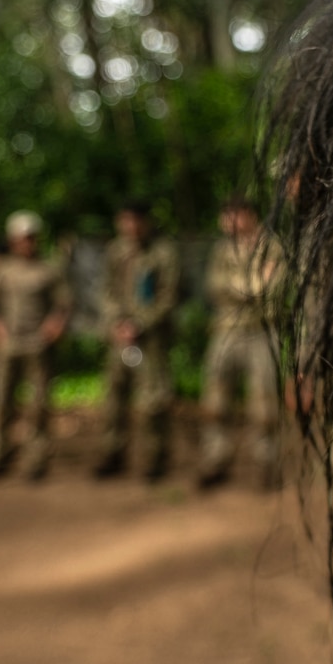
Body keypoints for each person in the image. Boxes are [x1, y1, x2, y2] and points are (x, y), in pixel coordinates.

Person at [0, 211, 70, 480]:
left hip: (37, 344)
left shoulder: (49, 269)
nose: (26, 243)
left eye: (30, 238)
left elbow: (62, 306)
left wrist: (53, 327)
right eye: (20, 238)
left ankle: (36, 458)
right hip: (7, 344)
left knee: (38, 404)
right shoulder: (0, 271)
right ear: (12, 240)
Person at [197, 195, 284, 489]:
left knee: (264, 407)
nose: (226, 222)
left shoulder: (272, 247)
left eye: (231, 215)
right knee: (215, 402)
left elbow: (271, 289)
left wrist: (240, 287)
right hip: (226, 331)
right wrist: (251, 284)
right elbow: (214, 287)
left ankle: (266, 468)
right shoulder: (222, 249)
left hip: (262, 332)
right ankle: (215, 460)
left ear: (247, 215)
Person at [92, 200, 180, 481]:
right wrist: (117, 322)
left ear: (146, 222)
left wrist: (141, 323)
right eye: (125, 221)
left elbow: (169, 296)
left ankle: (155, 458)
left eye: (135, 221)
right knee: (114, 397)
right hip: (119, 337)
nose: (130, 227)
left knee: (153, 401)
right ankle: (112, 453)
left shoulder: (163, 253)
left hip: (150, 340)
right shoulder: (116, 251)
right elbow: (105, 291)